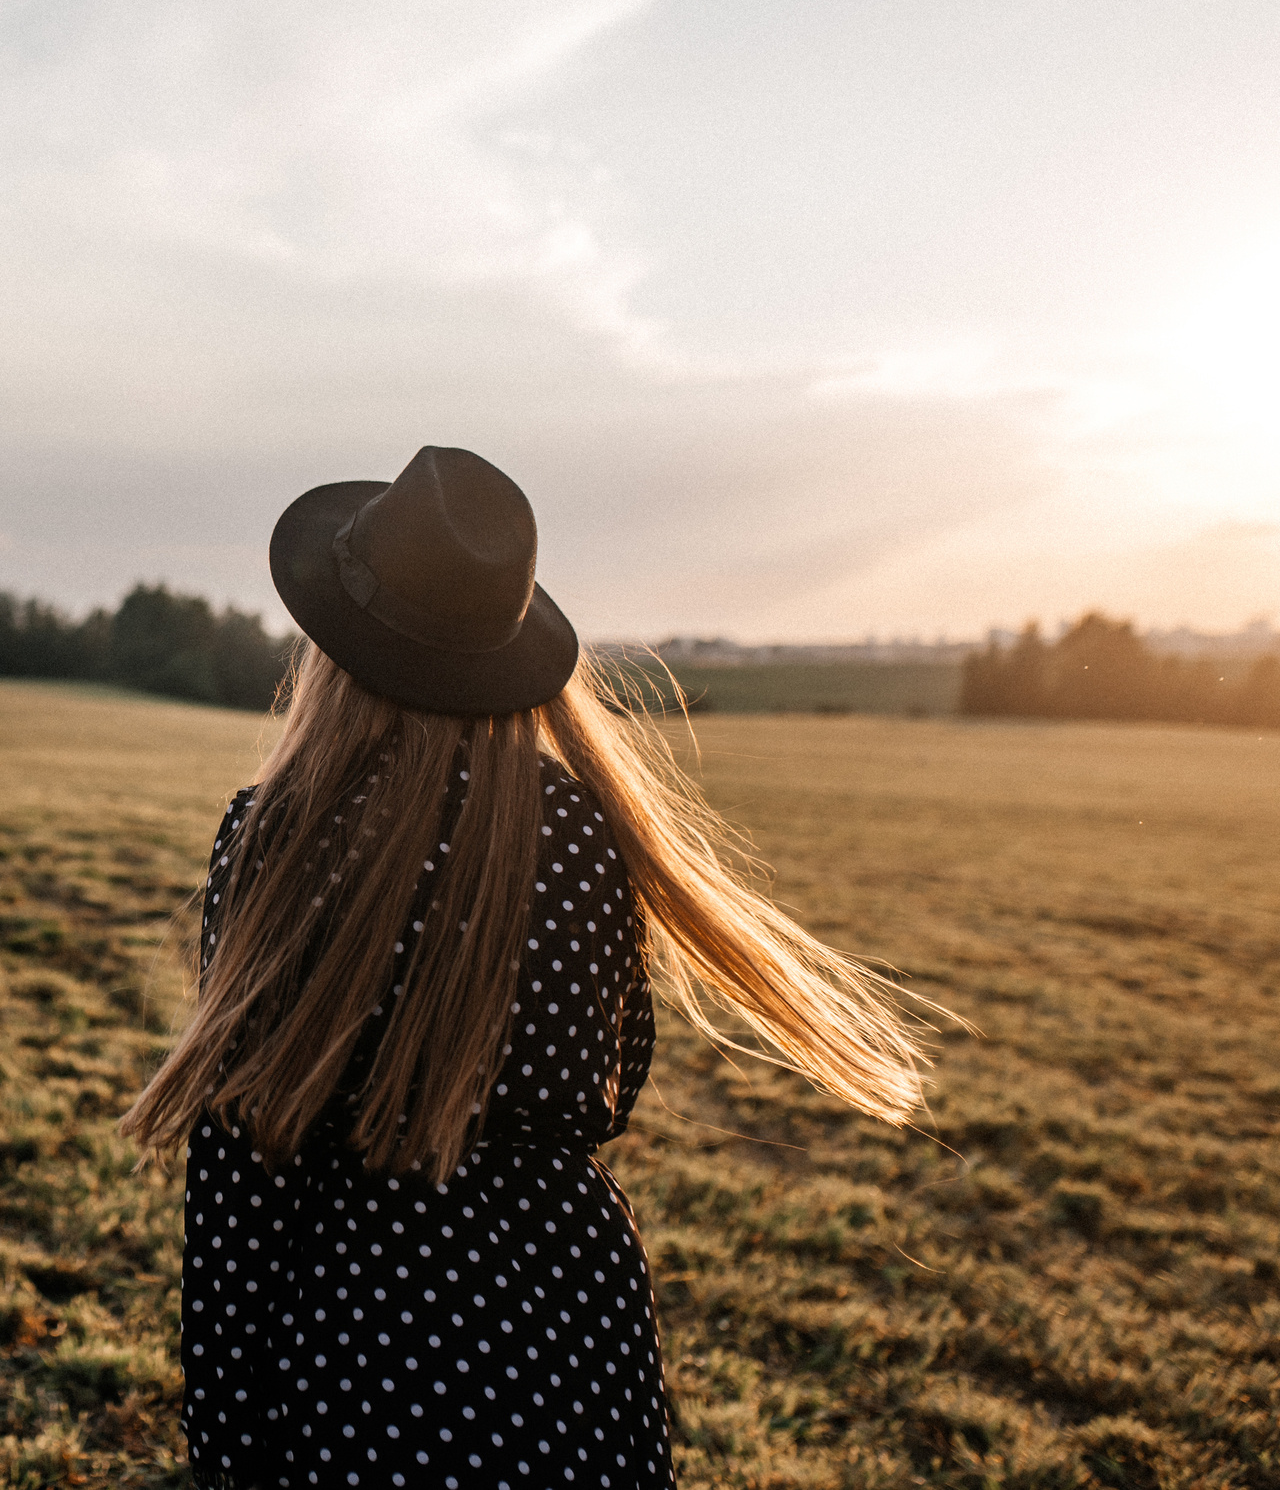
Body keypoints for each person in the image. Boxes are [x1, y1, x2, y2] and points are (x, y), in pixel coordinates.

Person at [119, 446, 932, 1490]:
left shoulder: (277, 831)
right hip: (564, 1335)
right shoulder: (586, 834)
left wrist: (230, 1436)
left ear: (330, 650)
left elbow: (236, 1150)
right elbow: (607, 1083)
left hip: (352, 1351)